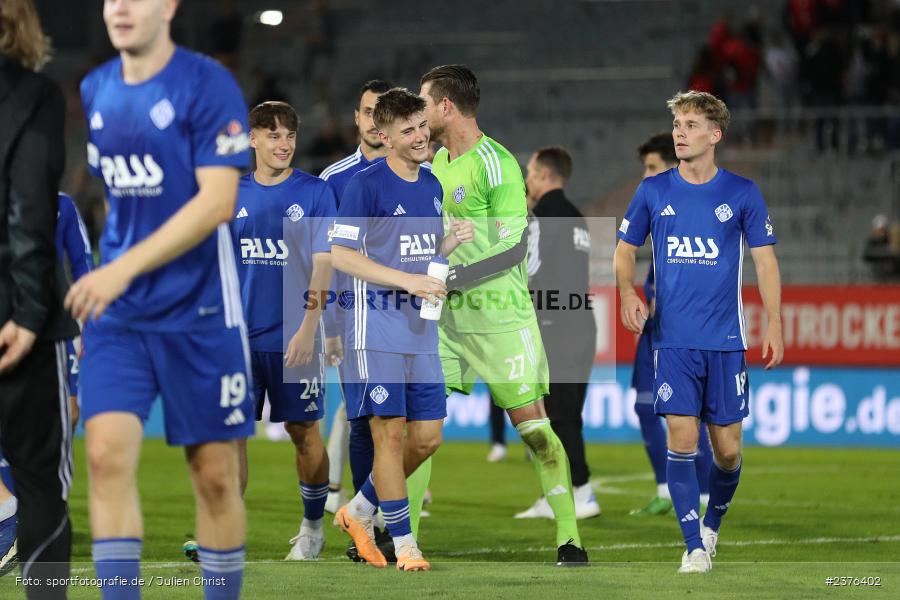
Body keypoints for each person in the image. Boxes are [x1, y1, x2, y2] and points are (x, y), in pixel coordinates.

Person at [68, 0, 253, 596]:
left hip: (200, 313)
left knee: (215, 476)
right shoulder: (96, 88)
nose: (119, 7)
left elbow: (217, 202)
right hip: (120, 318)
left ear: (169, 5)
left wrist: (119, 268)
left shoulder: (208, 83)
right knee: (104, 459)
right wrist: (116, 275)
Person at [420, 64, 587, 565]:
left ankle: (570, 537)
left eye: (424, 102)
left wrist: (453, 280)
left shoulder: (496, 165)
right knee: (421, 430)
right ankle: (399, 537)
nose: (419, 113)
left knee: (535, 430)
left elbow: (515, 249)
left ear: (446, 106)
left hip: (499, 317)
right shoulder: (431, 165)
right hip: (444, 321)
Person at [615, 90, 784, 573]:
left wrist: (774, 321)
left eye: (690, 125)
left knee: (727, 452)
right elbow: (624, 250)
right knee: (683, 439)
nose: (680, 133)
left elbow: (765, 260)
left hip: (726, 343)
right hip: (672, 342)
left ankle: (711, 525)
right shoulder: (654, 191)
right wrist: (628, 292)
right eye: (677, 125)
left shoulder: (742, 192)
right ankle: (692, 546)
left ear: (715, 134)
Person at [330, 87, 471, 571]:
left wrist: (447, 248)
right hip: (376, 330)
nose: (419, 136)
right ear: (385, 136)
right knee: (389, 436)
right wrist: (405, 280)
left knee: (427, 437)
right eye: (406, 130)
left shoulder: (431, 185)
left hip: (421, 331)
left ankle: (360, 509)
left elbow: (422, 252)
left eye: (421, 126)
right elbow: (343, 255)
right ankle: (406, 543)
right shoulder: (364, 186)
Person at [230, 101, 336, 560]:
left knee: (303, 431)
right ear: (252, 139)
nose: (284, 143)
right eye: (273, 135)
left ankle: (313, 528)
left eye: (290, 135)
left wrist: (309, 326)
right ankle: (226, 533)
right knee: (231, 433)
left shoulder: (314, 194)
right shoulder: (228, 193)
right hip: (235, 339)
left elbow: (324, 266)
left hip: (294, 338)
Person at [0, 0, 80, 594]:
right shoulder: (33, 96)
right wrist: (27, 313)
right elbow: (31, 208)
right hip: (21, 320)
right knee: (39, 487)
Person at [0, 191, 92, 579]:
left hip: (53, 333)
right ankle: (13, 519)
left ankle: (34, 524)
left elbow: (83, 263)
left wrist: (89, 324)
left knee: (62, 420)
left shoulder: (63, 204)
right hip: (9, 325)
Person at [628, 134, 714, 517]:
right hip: (653, 334)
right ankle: (664, 488)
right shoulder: (655, 207)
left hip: (684, 335)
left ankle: (707, 492)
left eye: (651, 167)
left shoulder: (696, 206)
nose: (645, 176)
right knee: (645, 407)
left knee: (689, 416)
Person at [513, 146, 600, 520]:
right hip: (581, 323)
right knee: (567, 415)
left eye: (531, 173)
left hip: (554, 325)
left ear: (546, 176)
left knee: (554, 416)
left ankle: (577, 492)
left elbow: (530, 273)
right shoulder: (577, 218)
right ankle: (569, 491)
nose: (527, 179)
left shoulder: (542, 218)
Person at [320, 79, 392, 514]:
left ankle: (395, 515)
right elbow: (323, 258)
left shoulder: (422, 173)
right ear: (356, 117)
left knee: (414, 424)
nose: (374, 122)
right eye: (368, 112)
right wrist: (329, 325)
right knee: (362, 420)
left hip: (409, 317)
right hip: (353, 319)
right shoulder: (334, 180)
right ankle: (368, 522)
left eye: (383, 114)